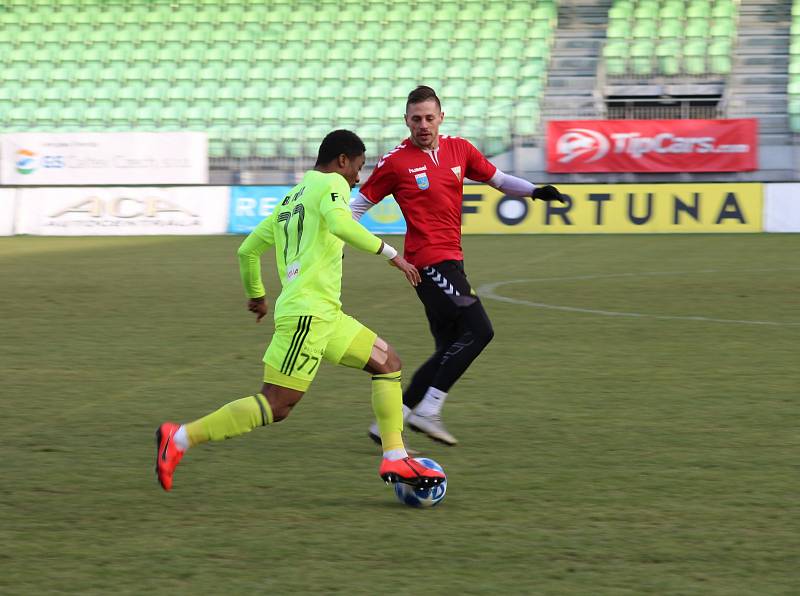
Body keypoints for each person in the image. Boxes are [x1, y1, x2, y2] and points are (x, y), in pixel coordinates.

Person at [155, 129, 445, 492]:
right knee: (276, 405)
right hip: (307, 316)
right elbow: (341, 223)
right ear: (342, 161)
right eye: (358, 168)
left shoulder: (291, 197)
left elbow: (247, 250)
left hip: (326, 315)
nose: (358, 178)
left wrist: (257, 296)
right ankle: (180, 438)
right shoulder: (332, 185)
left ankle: (395, 456)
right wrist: (393, 255)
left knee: (388, 363)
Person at [351, 86, 565, 447]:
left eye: (429, 118)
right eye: (416, 119)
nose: (423, 125)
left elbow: (497, 179)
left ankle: (392, 420)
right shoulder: (395, 163)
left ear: (441, 118)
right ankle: (429, 409)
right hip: (427, 263)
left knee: (449, 346)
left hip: (452, 261)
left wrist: (535, 191)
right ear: (406, 121)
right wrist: (355, 243)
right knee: (480, 330)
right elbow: (354, 208)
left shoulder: (459, 149)